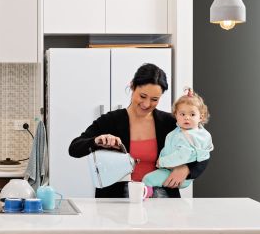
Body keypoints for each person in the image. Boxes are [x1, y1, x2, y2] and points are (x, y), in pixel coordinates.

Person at [68, 63, 209, 198]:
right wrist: (96, 141)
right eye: (142, 96)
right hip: (116, 204)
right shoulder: (110, 121)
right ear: (132, 86)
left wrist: (187, 170)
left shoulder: (171, 123)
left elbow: (203, 153)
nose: (147, 104)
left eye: (154, 99)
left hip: (162, 201)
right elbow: (74, 148)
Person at [143, 88, 213, 190]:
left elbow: (182, 156)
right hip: (170, 169)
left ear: (201, 117)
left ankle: (145, 197)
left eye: (192, 114)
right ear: (176, 115)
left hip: (175, 172)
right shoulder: (184, 131)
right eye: (182, 114)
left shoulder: (189, 136)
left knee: (147, 180)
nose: (187, 118)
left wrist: (162, 162)